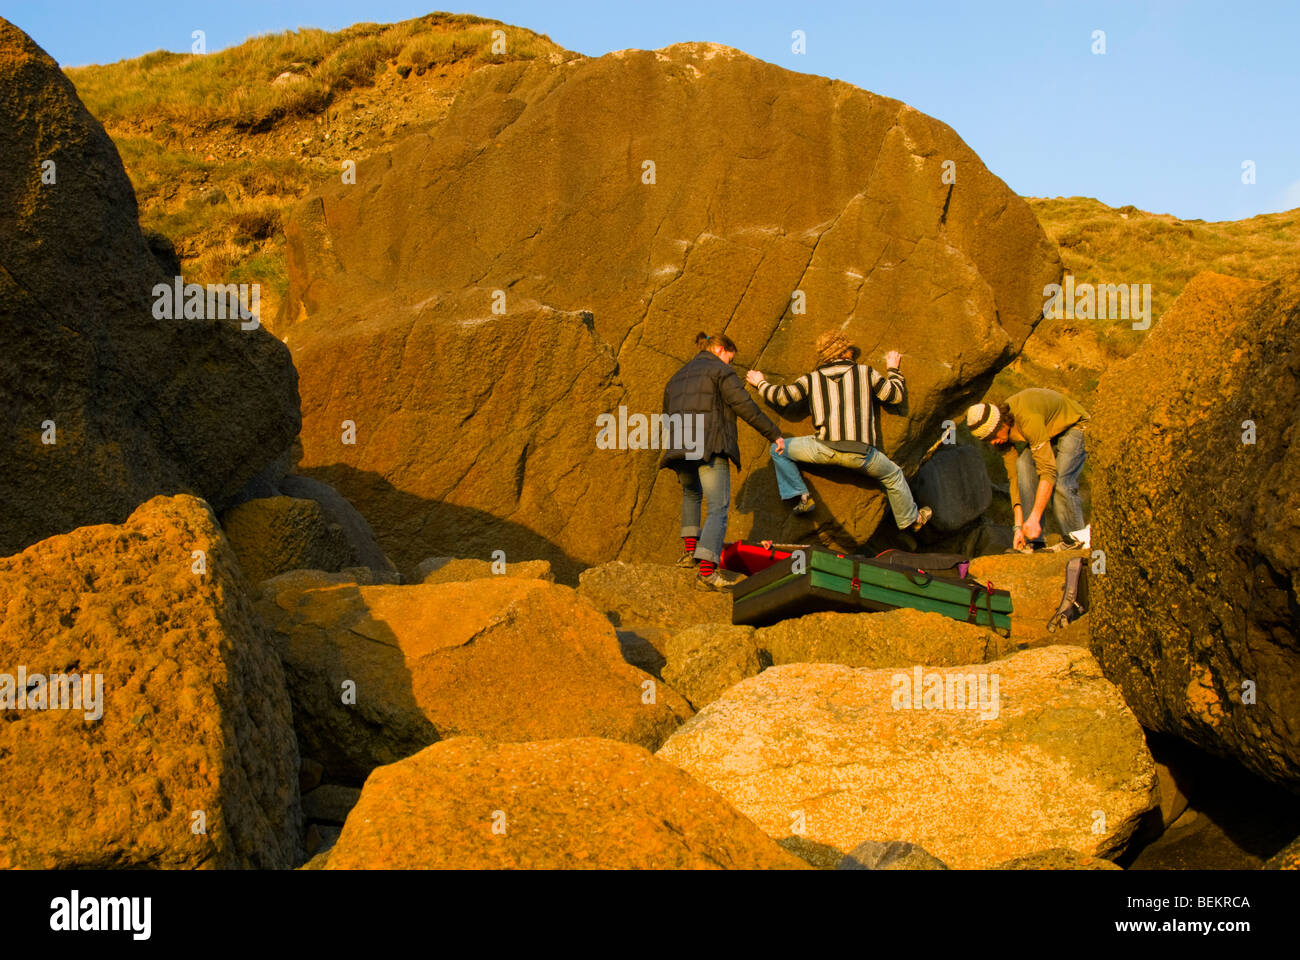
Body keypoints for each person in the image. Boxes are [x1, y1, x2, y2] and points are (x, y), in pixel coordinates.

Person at [745, 330, 932, 534]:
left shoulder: (812, 379)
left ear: (824, 354)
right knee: (894, 475)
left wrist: (760, 382)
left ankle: (802, 497)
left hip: (824, 448)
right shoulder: (864, 372)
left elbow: (782, 397)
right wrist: (893, 368)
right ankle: (911, 520)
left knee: (777, 449)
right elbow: (894, 396)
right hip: (862, 455)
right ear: (847, 351)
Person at [661, 333, 786, 591]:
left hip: (680, 446)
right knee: (718, 506)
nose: (730, 364)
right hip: (711, 445)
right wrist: (773, 434)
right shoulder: (720, 371)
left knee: (692, 494)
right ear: (720, 349)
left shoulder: (677, 377)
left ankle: (689, 556)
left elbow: (667, 416)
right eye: (730, 357)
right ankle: (707, 571)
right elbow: (744, 405)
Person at [965, 388, 1089, 552]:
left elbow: (1048, 471)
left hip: (1074, 425)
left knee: (1061, 482)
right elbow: (1014, 478)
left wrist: (1035, 517)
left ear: (1002, 424)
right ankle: (1034, 542)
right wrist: (1019, 527)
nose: (993, 442)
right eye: (987, 440)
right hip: (1048, 433)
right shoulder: (1000, 437)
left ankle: (1077, 541)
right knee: (1023, 464)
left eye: (993, 437)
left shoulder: (1027, 418)